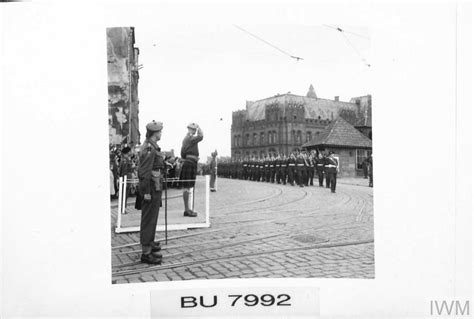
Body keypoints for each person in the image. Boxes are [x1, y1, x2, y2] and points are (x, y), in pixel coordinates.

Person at [137, 120, 165, 264]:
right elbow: (145, 172)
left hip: (155, 187)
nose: (161, 133)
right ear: (154, 133)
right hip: (151, 189)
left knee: (152, 218)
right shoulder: (149, 148)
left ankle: (150, 243)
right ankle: (146, 253)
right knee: (148, 219)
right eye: (159, 131)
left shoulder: (152, 147)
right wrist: (146, 191)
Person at [180, 123, 204, 217]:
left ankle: (188, 209)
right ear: (189, 130)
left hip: (190, 162)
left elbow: (182, 153)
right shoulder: (190, 138)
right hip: (190, 163)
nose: (194, 131)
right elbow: (201, 136)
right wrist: (199, 127)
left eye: (195, 130)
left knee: (188, 187)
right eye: (193, 129)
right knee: (187, 187)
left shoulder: (187, 139)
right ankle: (187, 210)